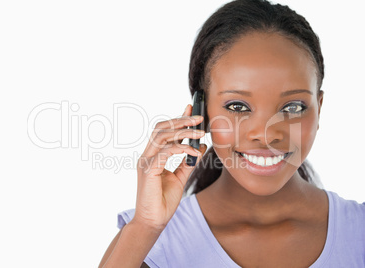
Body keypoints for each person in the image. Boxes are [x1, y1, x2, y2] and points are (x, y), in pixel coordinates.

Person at [99, 0, 365, 267]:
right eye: (237, 106)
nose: (265, 135)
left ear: (318, 109)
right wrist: (146, 226)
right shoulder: (153, 244)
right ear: (201, 113)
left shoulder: (359, 233)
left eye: (292, 107)